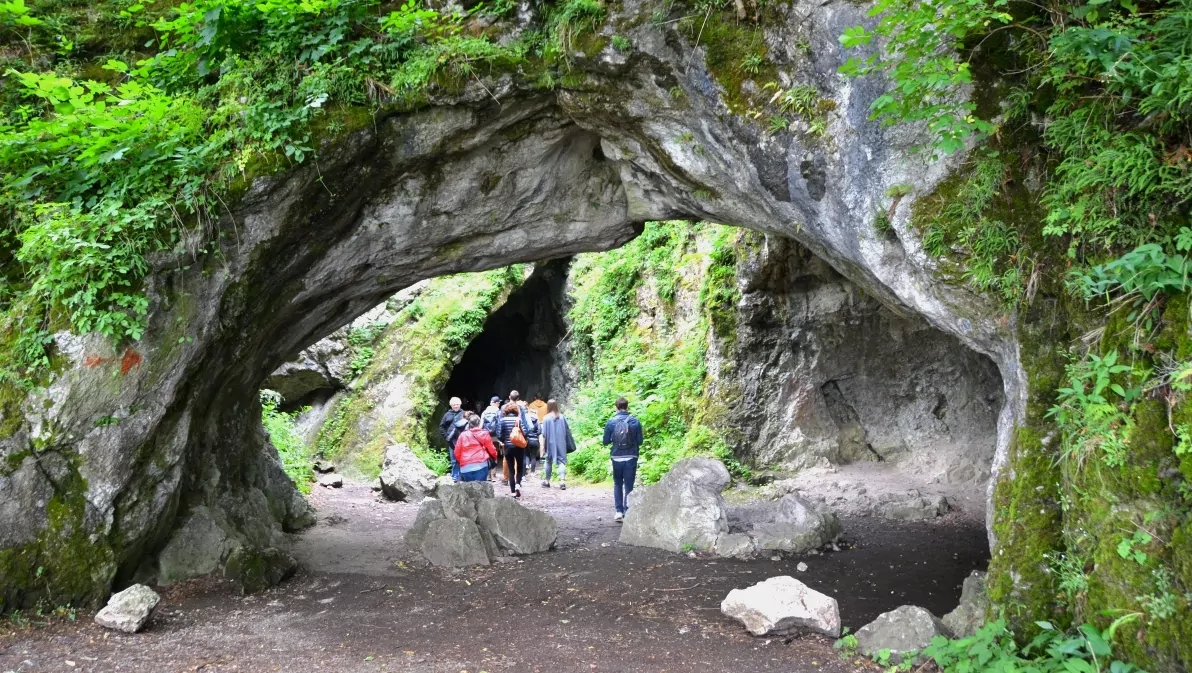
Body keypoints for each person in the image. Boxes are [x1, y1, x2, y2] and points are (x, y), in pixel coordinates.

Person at [602, 397, 643, 522]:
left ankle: (618, 511)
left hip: (617, 457)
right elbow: (640, 441)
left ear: (616, 407)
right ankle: (628, 510)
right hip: (631, 456)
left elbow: (605, 441)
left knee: (618, 483)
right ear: (627, 406)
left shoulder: (611, 422)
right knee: (629, 484)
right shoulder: (635, 421)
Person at [540, 399, 576, 490]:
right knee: (562, 461)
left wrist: (542, 447)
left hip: (550, 443)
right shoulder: (562, 417)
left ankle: (547, 481)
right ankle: (562, 482)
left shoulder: (546, 418)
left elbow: (544, 434)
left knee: (548, 461)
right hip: (561, 442)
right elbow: (567, 431)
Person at [454, 413, 499, 482]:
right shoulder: (484, 433)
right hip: (481, 465)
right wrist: (494, 457)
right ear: (479, 423)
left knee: (469, 490)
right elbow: (491, 449)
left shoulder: (462, 435)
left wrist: (462, 462)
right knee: (481, 489)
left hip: (465, 467)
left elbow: (457, 452)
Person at [498, 402, 527, 497]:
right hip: (518, 446)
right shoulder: (519, 420)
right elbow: (525, 432)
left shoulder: (502, 421)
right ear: (516, 410)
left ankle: (513, 492)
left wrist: (505, 440)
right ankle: (518, 484)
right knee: (519, 466)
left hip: (508, 447)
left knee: (511, 469)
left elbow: (499, 434)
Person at [438, 396, 467, 481]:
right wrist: (446, 436)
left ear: (460, 404)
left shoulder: (464, 414)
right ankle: (455, 476)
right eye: (454, 404)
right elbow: (441, 427)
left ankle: (463, 475)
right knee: (454, 459)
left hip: (463, 440)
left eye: (457, 404)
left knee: (463, 458)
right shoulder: (447, 415)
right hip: (451, 440)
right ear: (451, 405)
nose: (456, 406)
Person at [480, 396, 504, 481]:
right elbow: (500, 424)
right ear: (496, 403)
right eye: (498, 403)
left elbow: (480, 425)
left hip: (486, 436)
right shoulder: (498, 411)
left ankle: (487, 475)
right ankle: (493, 475)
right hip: (495, 437)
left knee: (487, 455)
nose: (499, 404)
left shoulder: (484, 412)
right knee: (494, 454)